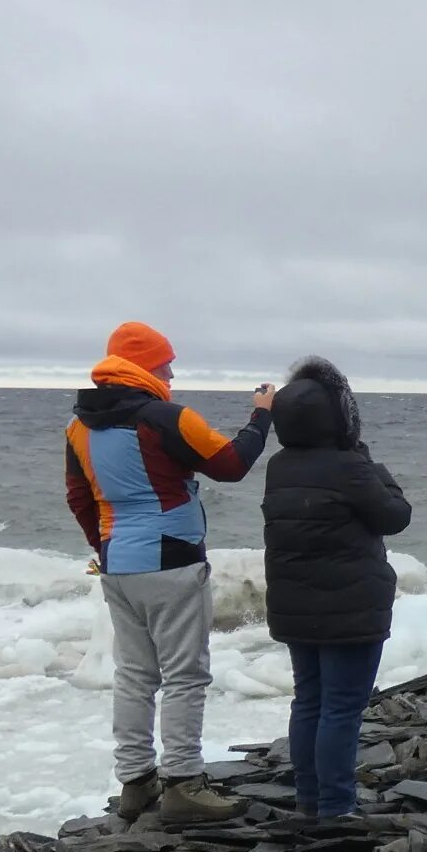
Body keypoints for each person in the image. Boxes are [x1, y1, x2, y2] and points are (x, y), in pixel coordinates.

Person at [63, 321, 274, 824]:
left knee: (134, 674)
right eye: (166, 363)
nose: (172, 372)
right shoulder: (167, 418)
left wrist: (108, 548)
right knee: (185, 674)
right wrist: (261, 416)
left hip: (119, 563)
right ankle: (184, 783)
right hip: (173, 560)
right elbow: (231, 463)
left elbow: (78, 498)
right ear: (146, 366)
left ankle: (136, 782)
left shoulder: (78, 426)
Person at [261, 356, 412, 823]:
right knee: (342, 709)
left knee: (309, 700)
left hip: (294, 606)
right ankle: (336, 807)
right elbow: (396, 515)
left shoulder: (278, 466)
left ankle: (310, 800)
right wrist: (373, 466)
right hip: (351, 609)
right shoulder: (351, 467)